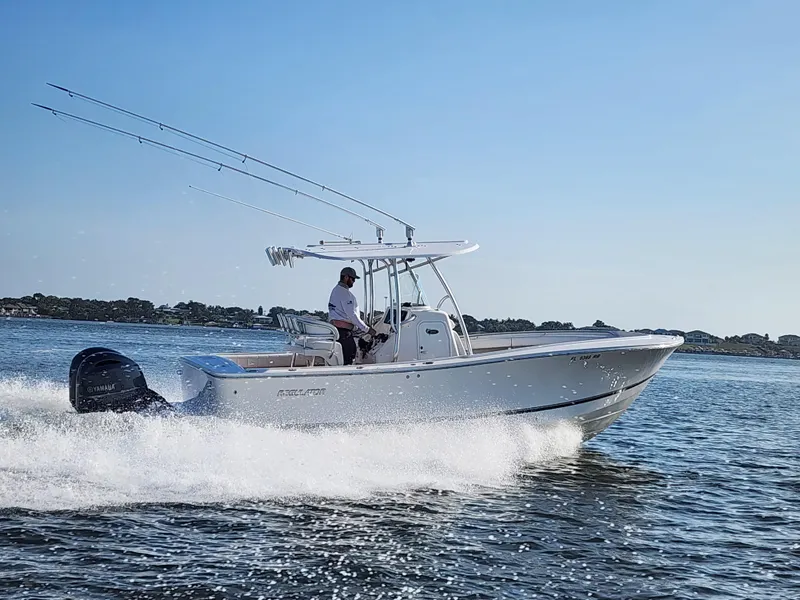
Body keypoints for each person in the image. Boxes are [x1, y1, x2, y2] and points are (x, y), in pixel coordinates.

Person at [328, 266, 376, 365]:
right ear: (346, 277)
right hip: (343, 332)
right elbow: (352, 315)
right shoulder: (344, 293)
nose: (354, 281)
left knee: (347, 356)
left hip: (339, 331)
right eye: (352, 279)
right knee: (349, 356)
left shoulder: (336, 290)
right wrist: (367, 329)